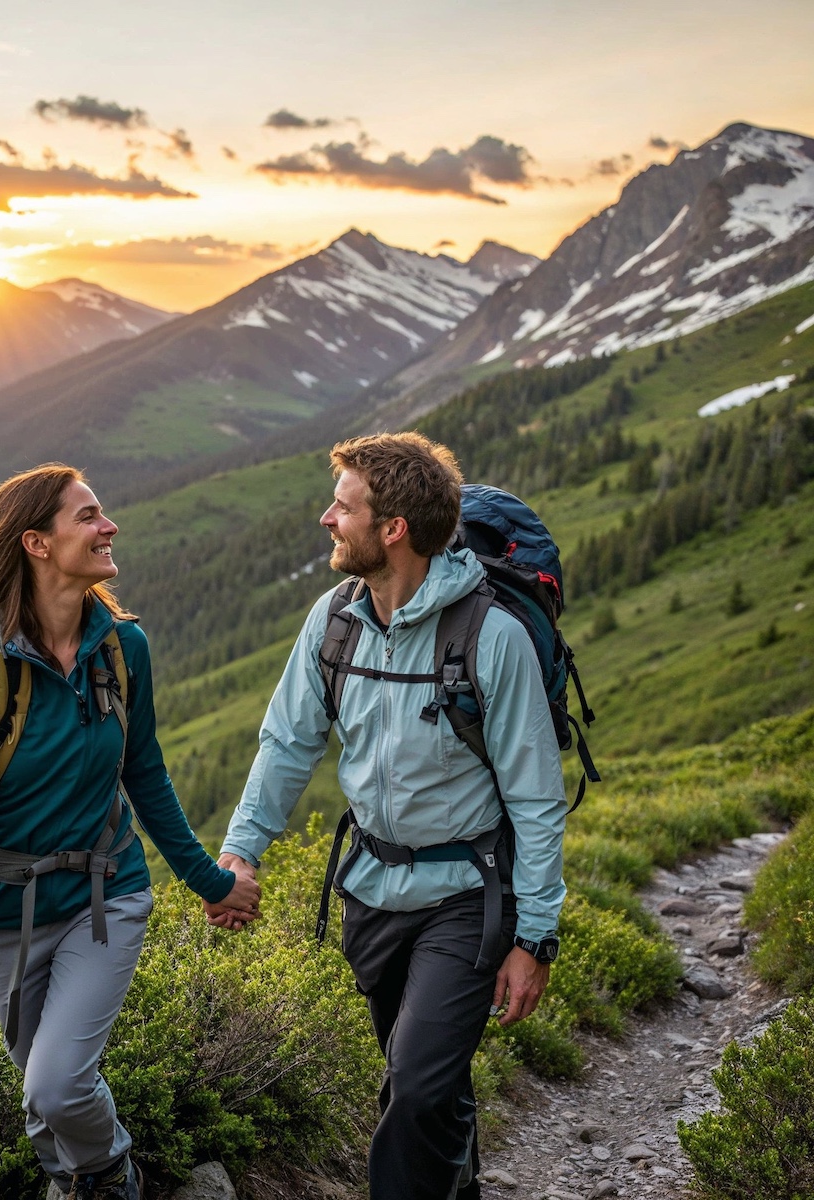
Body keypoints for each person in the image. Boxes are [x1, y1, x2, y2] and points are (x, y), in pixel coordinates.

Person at [0, 464, 260, 1200]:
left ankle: (114, 1172)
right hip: (3, 913)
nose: (108, 527)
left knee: (54, 1086)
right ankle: (79, 1182)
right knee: (42, 1098)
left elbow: (145, 777)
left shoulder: (122, 649)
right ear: (37, 543)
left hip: (105, 901)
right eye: (89, 516)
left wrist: (213, 884)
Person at [212, 433, 567, 1200]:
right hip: (369, 892)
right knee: (427, 1088)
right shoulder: (334, 620)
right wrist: (243, 849)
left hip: (468, 899)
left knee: (412, 1088)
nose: (326, 519)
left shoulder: (491, 638)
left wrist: (536, 935)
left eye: (343, 507)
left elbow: (537, 800)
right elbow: (286, 743)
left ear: (394, 527)